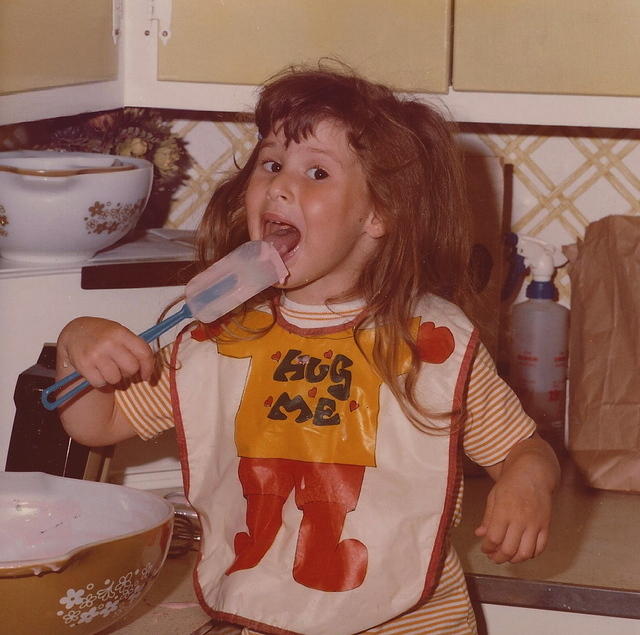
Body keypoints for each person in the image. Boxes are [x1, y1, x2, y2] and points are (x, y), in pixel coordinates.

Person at [55, 64, 560, 635]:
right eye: (271, 164)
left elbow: (522, 448)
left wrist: (528, 481)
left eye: (316, 172)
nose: (280, 184)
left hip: (411, 625)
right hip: (262, 620)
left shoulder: (426, 344)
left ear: (379, 214)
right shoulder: (223, 331)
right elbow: (99, 423)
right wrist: (78, 345)